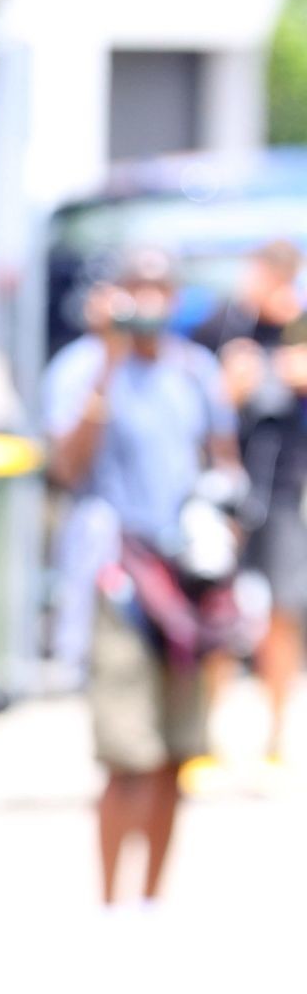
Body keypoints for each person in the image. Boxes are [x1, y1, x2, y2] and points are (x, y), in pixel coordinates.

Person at [42, 245, 244, 907]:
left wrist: (222, 532)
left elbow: (224, 462)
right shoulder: (82, 368)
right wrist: (110, 360)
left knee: (176, 752)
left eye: (160, 287)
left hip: (185, 581)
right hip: (117, 578)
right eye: (137, 287)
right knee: (127, 752)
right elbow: (67, 467)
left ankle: (151, 903)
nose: (149, 300)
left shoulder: (195, 370)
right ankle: (112, 904)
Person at [190, 239, 307, 765]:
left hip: (286, 487)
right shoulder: (223, 326)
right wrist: (229, 387)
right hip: (228, 489)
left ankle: (277, 736)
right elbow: (196, 398)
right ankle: (207, 733)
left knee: (284, 610)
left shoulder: (300, 326)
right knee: (216, 607)